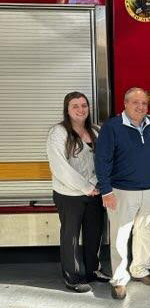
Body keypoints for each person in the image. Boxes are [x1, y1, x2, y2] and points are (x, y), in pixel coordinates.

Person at [95, 87, 150, 300]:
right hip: (121, 191)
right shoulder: (112, 127)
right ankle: (119, 279)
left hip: (149, 189)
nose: (140, 107)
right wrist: (106, 190)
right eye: (135, 103)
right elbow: (102, 160)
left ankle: (140, 269)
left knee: (146, 232)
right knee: (120, 236)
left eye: (144, 103)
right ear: (125, 104)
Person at [46, 91, 110, 293]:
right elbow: (60, 167)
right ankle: (72, 277)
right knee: (71, 236)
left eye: (84, 105)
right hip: (69, 195)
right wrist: (86, 187)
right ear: (67, 109)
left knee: (94, 234)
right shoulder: (58, 133)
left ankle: (92, 270)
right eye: (75, 106)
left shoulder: (96, 130)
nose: (81, 109)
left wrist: (96, 184)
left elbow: (103, 160)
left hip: (94, 193)